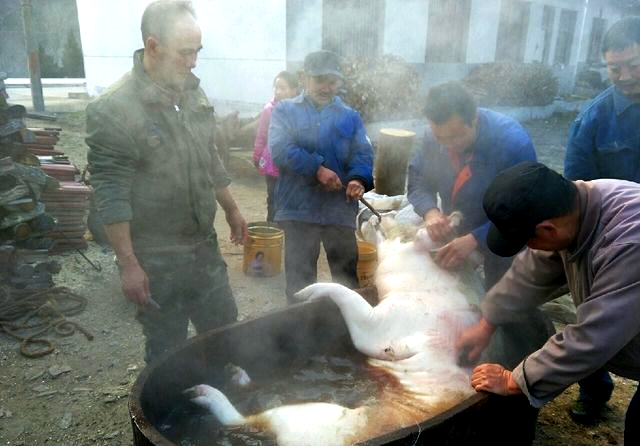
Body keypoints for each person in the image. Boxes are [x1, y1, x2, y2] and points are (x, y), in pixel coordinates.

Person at [85, 0, 247, 364]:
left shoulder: (191, 92)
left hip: (203, 249)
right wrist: (128, 263)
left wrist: (232, 208)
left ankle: (227, 404)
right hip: (157, 258)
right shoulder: (114, 109)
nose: (193, 63)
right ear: (153, 46)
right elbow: (111, 193)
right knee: (167, 350)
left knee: (224, 330)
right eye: (185, 53)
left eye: (197, 52)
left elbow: (209, 157)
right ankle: (172, 414)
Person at [456, 161, 640, 445]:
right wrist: (487, 321)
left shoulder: (628, 244)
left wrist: (514, 379)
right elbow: (535, 269)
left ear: (547, 229)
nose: (529, 248)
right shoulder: (580, 206)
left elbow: (595, 335)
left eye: (527, 240)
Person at [563, 16, 640, 421]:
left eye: (633, 64)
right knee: (593, 315)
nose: (624, 76)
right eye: (615, 68)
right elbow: (574, 190)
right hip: (608, 240)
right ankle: (594, 391)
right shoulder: (593, 120)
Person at [407, 81, 537, 291]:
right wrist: (430, 212)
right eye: (441, 138)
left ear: (474, 119)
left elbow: (524, 209)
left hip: (504, 232)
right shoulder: (433, 137)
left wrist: (478, 238)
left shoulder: (512, 143)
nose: (448, 145)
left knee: (503, 298)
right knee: (449, 287)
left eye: (456, 136)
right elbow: (418, 181)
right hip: (459, 222)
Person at [268, 50, 374, 304]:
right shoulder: (285, 111)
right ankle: (299, 336)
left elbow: (363, 153)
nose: (327, 87)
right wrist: (317, 169)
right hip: (299, 209)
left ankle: (347, 333)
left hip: (338, 210)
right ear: (304, 78)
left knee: (346, 278)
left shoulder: (350, 116)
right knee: (300, 282)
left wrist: (358, 179)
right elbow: (280, 149)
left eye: (332, 81)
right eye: (320, 80)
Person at [252, 71, 299, 222]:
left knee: (291, 198)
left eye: (283, 88)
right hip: (272, 163)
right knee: (272, 197)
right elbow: (262, 135)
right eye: (276, 87)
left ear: (294, 90)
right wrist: (257, 155)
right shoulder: (269, 110)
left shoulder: (301, 110)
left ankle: (289, 229)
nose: (278, 91)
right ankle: (272, 228)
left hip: (292, 163)